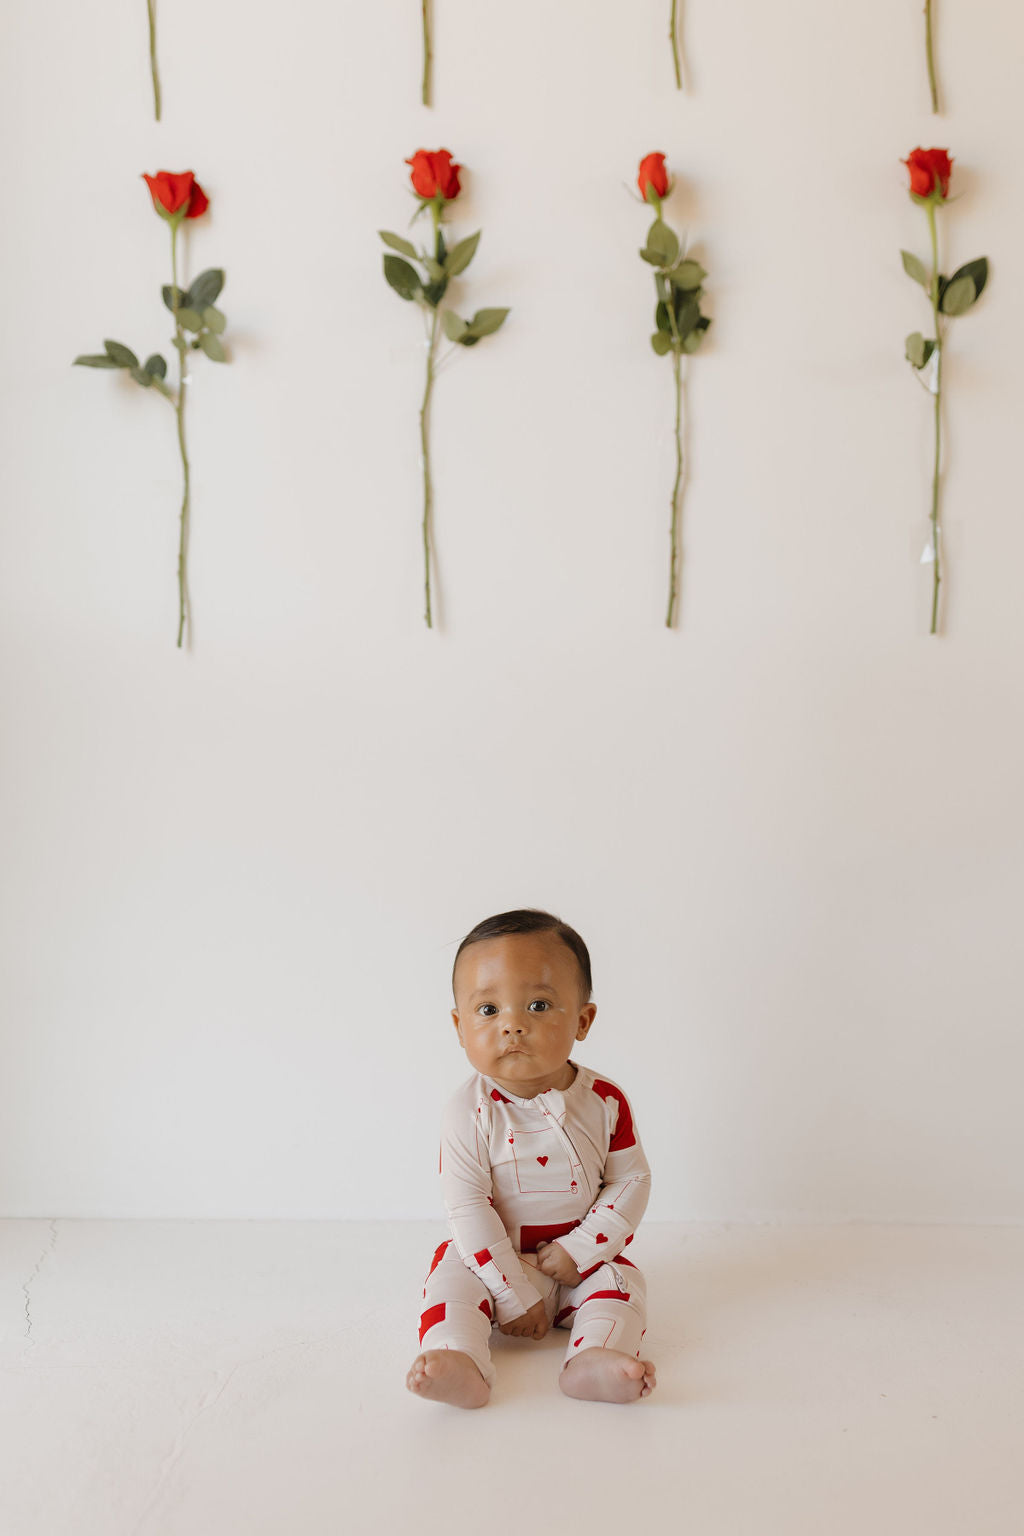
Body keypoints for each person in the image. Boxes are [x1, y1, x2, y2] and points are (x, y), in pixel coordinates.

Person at [406, 908, 656, 1408]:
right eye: (488, 1010)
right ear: (459, 1027)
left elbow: (631, 1180)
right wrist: (512, 1294)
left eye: (539, 1005)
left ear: (583, 1020)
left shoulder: (604, 1101)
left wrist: (582, 1251)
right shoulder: (466, 1113)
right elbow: (468, 1209)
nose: (513, 1026)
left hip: (576, 1267)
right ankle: (457, 1359)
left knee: (624, 1282)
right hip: (489, 1263)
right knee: (448, 1275)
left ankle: (594, 1358)